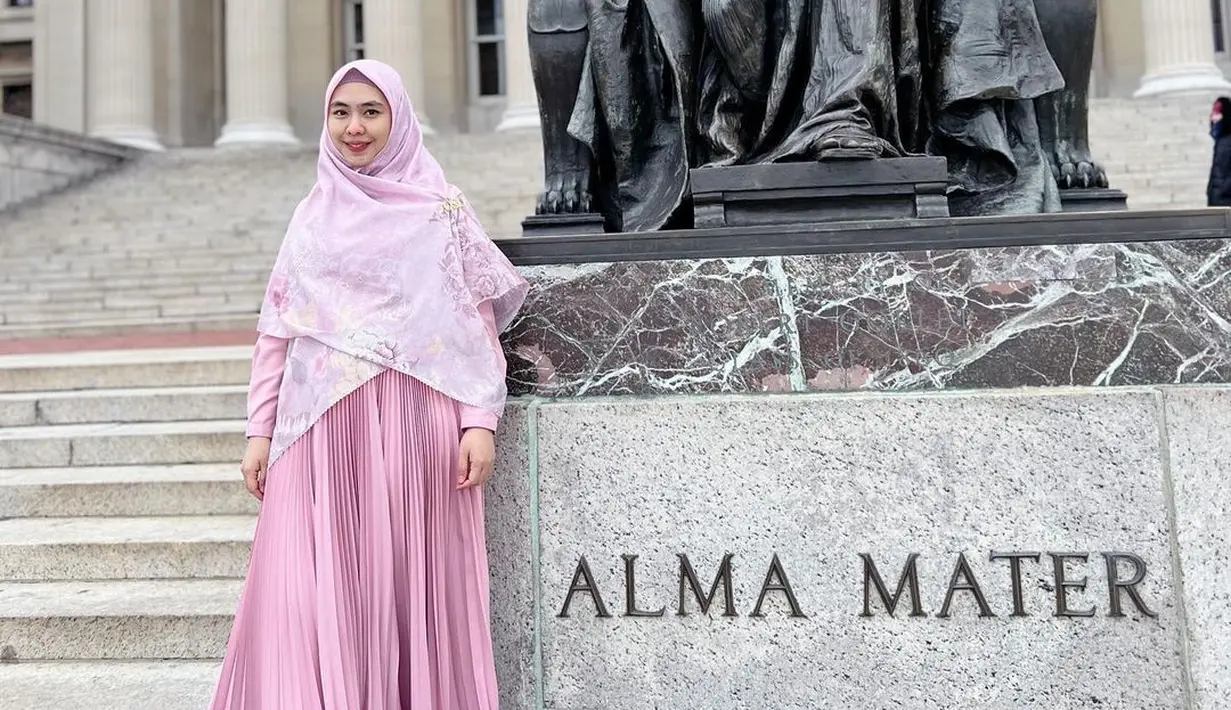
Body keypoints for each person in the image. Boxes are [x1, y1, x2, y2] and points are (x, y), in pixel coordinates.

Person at [210, 59, 528, 709]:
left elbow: (474, 325)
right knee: (309, 594)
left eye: (371, 112)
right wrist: (258, 431)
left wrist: (479, 421)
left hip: (417, 426)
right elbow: (276, 332)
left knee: (404, 589)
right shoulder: (311, 215)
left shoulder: (439, 209)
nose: (354, 127)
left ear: (398, 118)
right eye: (341, 112)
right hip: (318, 431)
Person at [1207, 96, 1231, 207]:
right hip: (1217, 199)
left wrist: (1224, 190)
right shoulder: (1220, 141)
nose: (1213, 117)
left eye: (1217, 112)